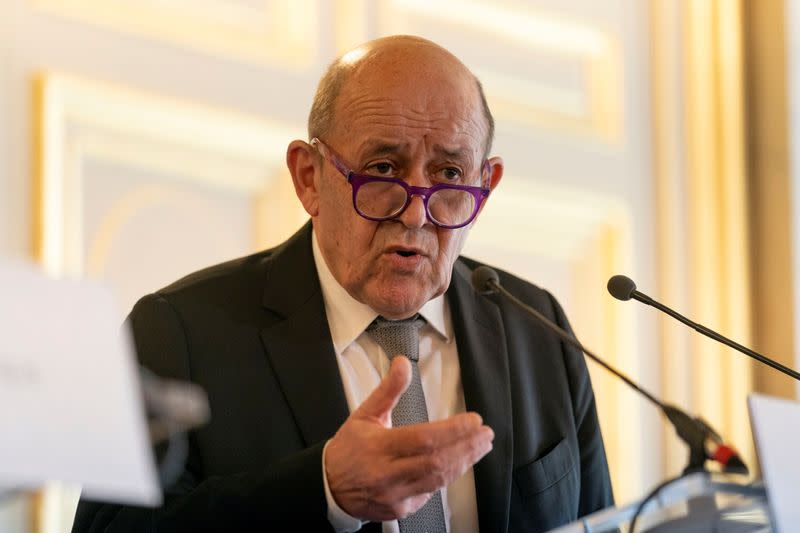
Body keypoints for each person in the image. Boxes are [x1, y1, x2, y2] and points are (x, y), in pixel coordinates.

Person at [72, 35, 613, 533]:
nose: (416, 215)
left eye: (449, 176)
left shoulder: (538, 329)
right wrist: (324, 489)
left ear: (484, 186)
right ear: (309, 177)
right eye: (382, 168)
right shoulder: (179, 333)